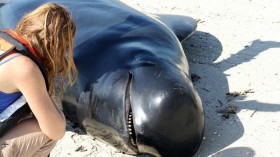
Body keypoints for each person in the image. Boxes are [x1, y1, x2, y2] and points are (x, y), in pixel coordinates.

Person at [0, 3, 77, 157]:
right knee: (48, 133)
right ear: (55, 45)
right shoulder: (25, 68)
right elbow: (55, 130)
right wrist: (47, 94)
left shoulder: (5, 43)